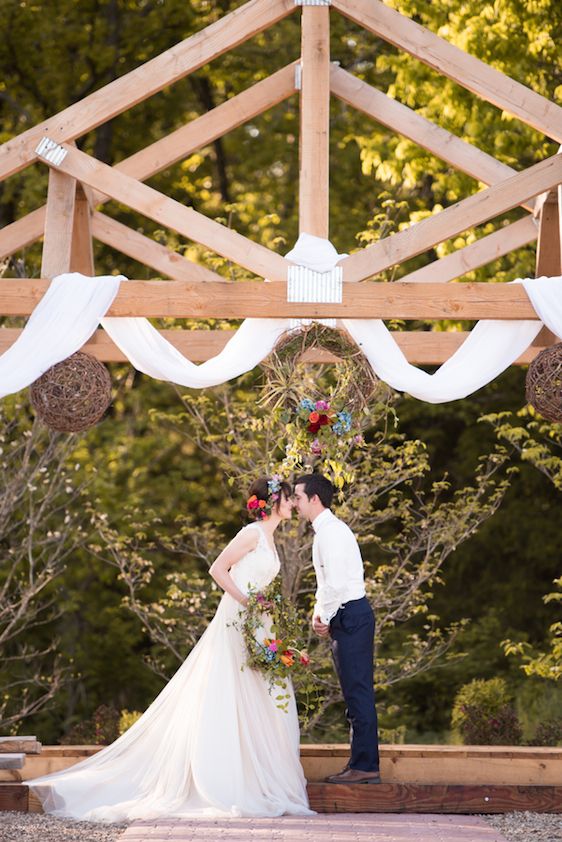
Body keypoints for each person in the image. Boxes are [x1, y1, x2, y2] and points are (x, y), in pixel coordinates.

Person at [28, 477, 313, 821]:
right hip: (239, 618)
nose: (292, 504)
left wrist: (263, 608)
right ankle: (226, 778)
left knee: (261, 694)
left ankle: (258, 776)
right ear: (271, 502)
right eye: (286, 498)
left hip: (258, 623)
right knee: (231, 689)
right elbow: (218, 569)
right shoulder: (251, 534)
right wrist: (248, 601)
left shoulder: (270, 537)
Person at [293, 473, 381, 784]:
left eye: (299, 498)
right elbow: (325, 585)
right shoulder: (325, 532)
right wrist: (322, 615)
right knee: (353, 693)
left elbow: (337, 584)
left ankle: (366, 766)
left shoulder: (332, 534)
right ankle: (360, 763)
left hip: (352, 615)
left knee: (358, 693)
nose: (295, 504)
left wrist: (326, 617)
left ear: (314, 499)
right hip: (346, 616)